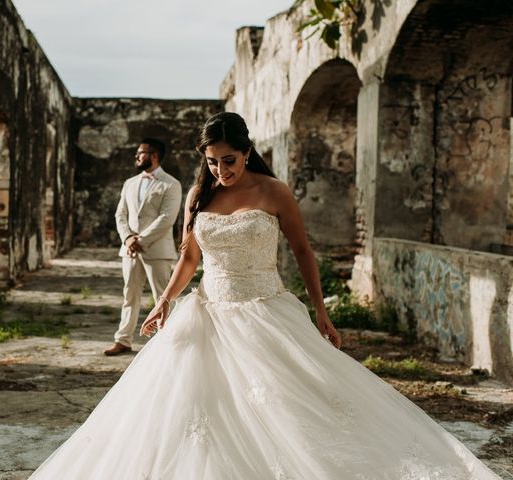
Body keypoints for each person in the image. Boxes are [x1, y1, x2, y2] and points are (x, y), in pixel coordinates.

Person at [30, 113, 501, 479]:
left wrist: (321, 311)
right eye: (212, 161)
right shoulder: (199, 196)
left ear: (247, 152)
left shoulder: (275, 192)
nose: (221, 170)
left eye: (229, 161)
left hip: (267, 310)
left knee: (294, 408)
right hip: (210, 313)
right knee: (198, 412)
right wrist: (164, 301)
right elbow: (190, 260)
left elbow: (301, 250)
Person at [104, 138, 182, 356]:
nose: (137, 156)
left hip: (157, 250)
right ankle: (123, 339)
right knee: (129, 294)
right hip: (129, 250)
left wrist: (141, 240)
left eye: (141, 153)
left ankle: (169, 341)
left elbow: (167, 217)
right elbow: (121, 214)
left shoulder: (171, 184)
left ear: (154, 155)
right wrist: (128, 238)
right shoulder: (130, 183)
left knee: (163, 297)